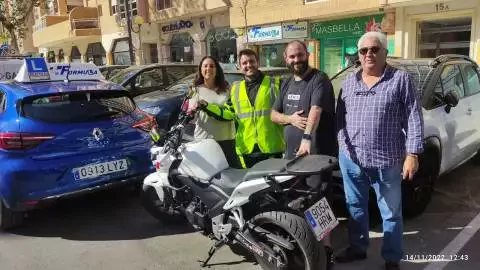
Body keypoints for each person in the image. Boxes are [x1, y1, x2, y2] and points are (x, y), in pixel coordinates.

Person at [335, 32, 424, 270]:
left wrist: (412, 154)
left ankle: (392, 258)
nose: (369, 54)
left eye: (374, 49)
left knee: (391, 213)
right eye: (363, 51)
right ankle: (358, 248)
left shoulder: (400, 79)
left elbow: (414, 117)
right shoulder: (349, 82)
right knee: (355, 207)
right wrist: (341, 146)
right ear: (359, 55)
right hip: (352, 160)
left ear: (385, 52)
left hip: (387, 162)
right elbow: (339, 118)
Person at [270, 40, 336, 269]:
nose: (296, 60)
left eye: (299, 55)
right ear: (286, 59)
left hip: (315, 155)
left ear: (307, 54)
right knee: (297, 198)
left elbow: (316, 110)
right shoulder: (286, 83)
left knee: (319, 201)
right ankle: (306, 243)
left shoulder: (319, 79)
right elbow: (273, 114)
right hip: (292, 157)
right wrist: (291, 119)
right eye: (292, 57)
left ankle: (327, 252)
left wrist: (306, 138)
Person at [199, 49, 285, 168]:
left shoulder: (275, 84)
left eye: (251, 61)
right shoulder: (235, 89)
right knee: (251, 186)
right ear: (239, 67)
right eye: (244, 63)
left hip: (272, 148)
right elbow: (228, 113)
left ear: (258, 63)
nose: (248, 65)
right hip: (247, 150)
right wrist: (207, 106)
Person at [187, 56, 238, 168]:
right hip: (204, 140)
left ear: (217, 70)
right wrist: (192, 111)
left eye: (212, 66)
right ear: (201, 69)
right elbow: (191, 116)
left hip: (226, 140)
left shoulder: (227, 88)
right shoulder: (195, 89)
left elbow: (231, 113)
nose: (208, 69)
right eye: (205, 66)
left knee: (231, 176)